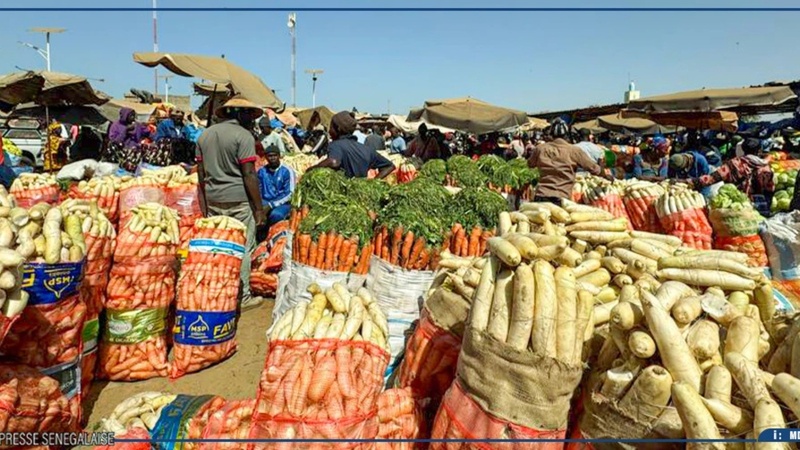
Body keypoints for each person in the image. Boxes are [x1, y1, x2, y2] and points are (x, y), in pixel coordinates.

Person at [196, 96, 266, 310]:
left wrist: (205, 203)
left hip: (214, 198)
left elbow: (200, 174)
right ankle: (242, 297)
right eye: (248, 115)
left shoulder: (204, 135)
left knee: (219, 247)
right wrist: (259, 208)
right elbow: (249, 175)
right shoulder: (243, 136)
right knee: (242, 247)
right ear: (238, 114)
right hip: (239, 200)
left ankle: (218, 292)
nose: (251, 120)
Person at [528, 119, 606, 203]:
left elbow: (530, 164)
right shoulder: (574, 150)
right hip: (561, 197)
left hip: (541, 195)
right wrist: (605, 174)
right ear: (566, 135)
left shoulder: (540, 148)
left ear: (551, 135)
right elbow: (594, 168)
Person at [691, 137, 775, 212]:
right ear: (759, 151)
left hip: (738, 207)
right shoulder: (766, 167)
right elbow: (770, 190)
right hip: (759, 207)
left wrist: (690, 182)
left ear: (743, 149)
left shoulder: (735, 164)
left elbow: (711, 178)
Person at [306, 111, 395, 178]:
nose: (329, 131)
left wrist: (312, 169)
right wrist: (373, 183)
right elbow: (389, 166)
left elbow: (334, 162)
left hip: (342, 197)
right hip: (360, 197)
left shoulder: (336, 145)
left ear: (338, 129)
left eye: (331, 127)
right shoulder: (367, 149)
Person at [257, 144, 297, 228]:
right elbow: (258, 190)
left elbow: (290, 193)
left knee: (276, 215)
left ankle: (272, 233)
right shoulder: (261, 171)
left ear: (279, 156)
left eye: (275, 155)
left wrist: (271, 205)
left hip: (283, 203)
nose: (272, 158)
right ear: (266, 157)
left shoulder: (287, 171)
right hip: (265, 201)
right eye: (270, 156)